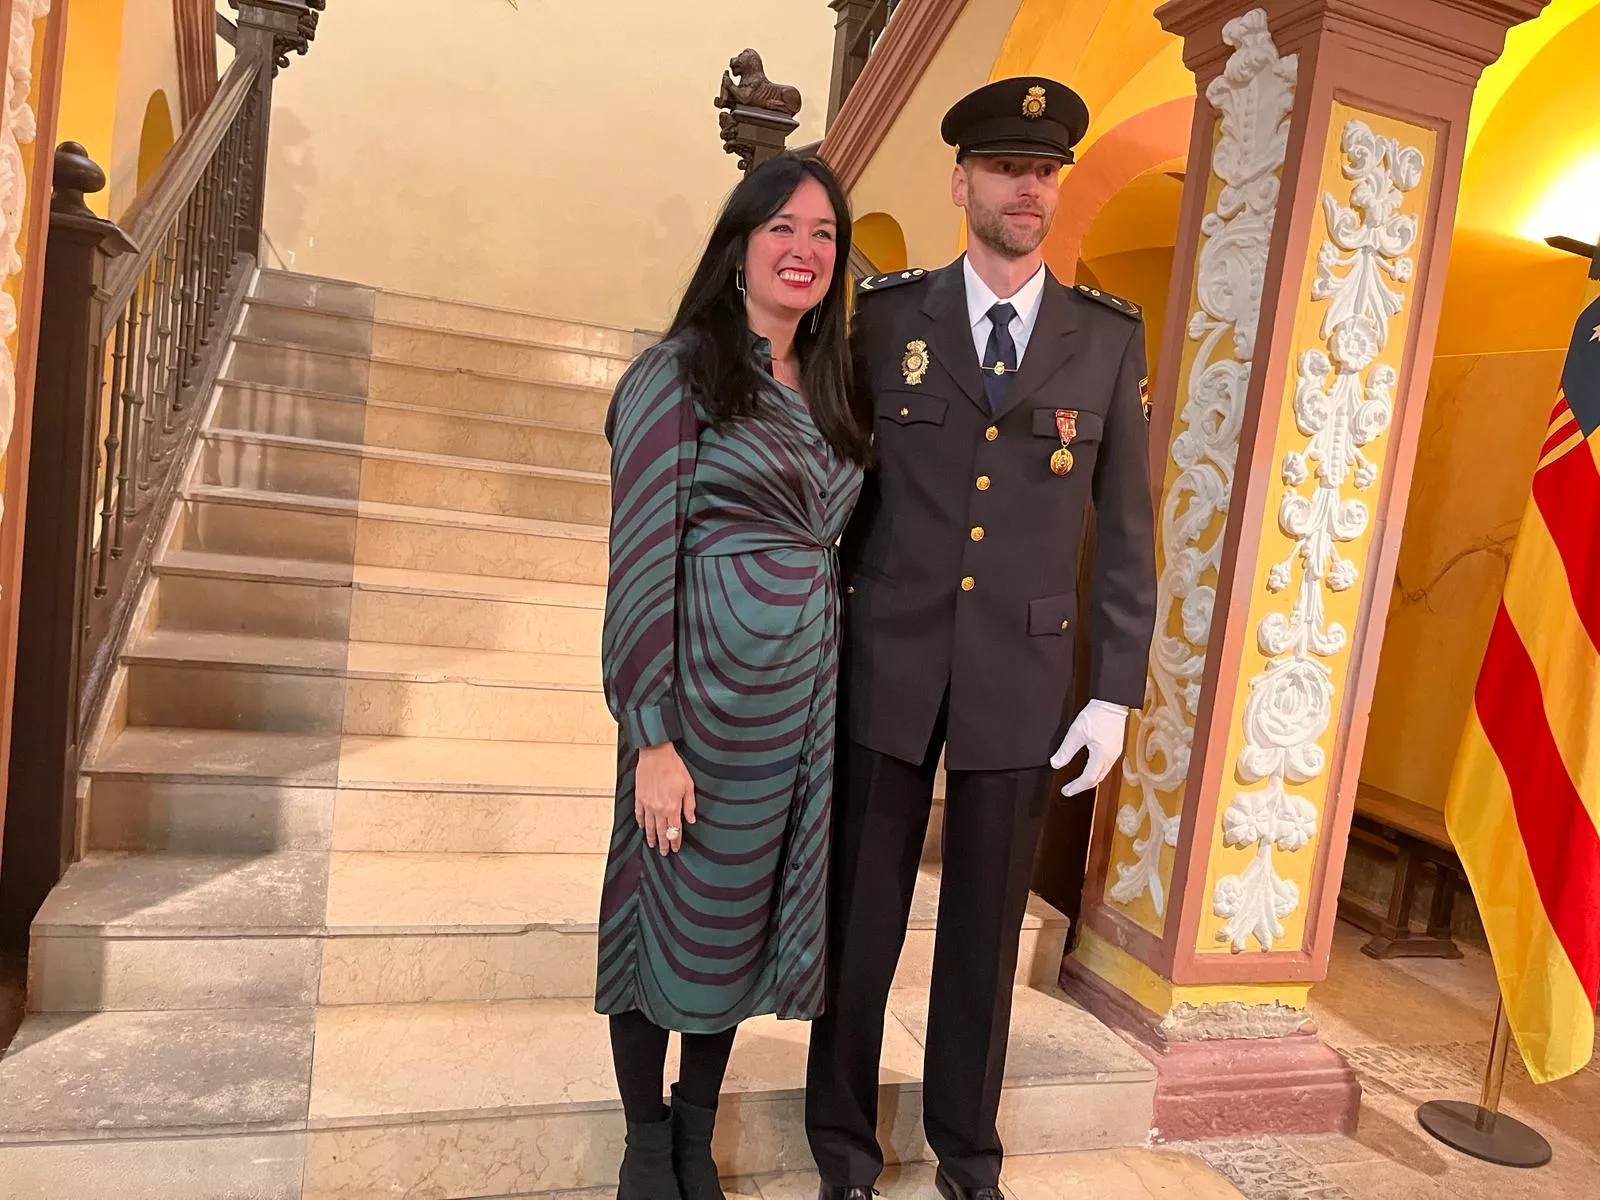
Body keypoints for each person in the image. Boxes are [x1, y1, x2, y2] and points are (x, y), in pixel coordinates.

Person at [804, 77, 1158, 1200]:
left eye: (1044, 171)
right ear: (961, 184)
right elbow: (836, 493)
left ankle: (967, 1154)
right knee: (861, 923)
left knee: (983, 935)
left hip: (1021, 675)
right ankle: (843, 1150)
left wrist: (1113, 690)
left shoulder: (1105, 340)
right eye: (1007, 168)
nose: (1028, 189)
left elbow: (1126, 531)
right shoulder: (887, 319)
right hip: (890, 658)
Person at [596, 152, 871, 1200]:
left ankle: (693, 1135)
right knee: (657, 911)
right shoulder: (679, 372)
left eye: (824, 234)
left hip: (793, 710)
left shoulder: (831, 381)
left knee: (735, 926)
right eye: (782, 229)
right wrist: (651, 735)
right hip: (696, 701)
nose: (805, 251)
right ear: (739, 245)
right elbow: (640, 557)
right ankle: (642, 1141)